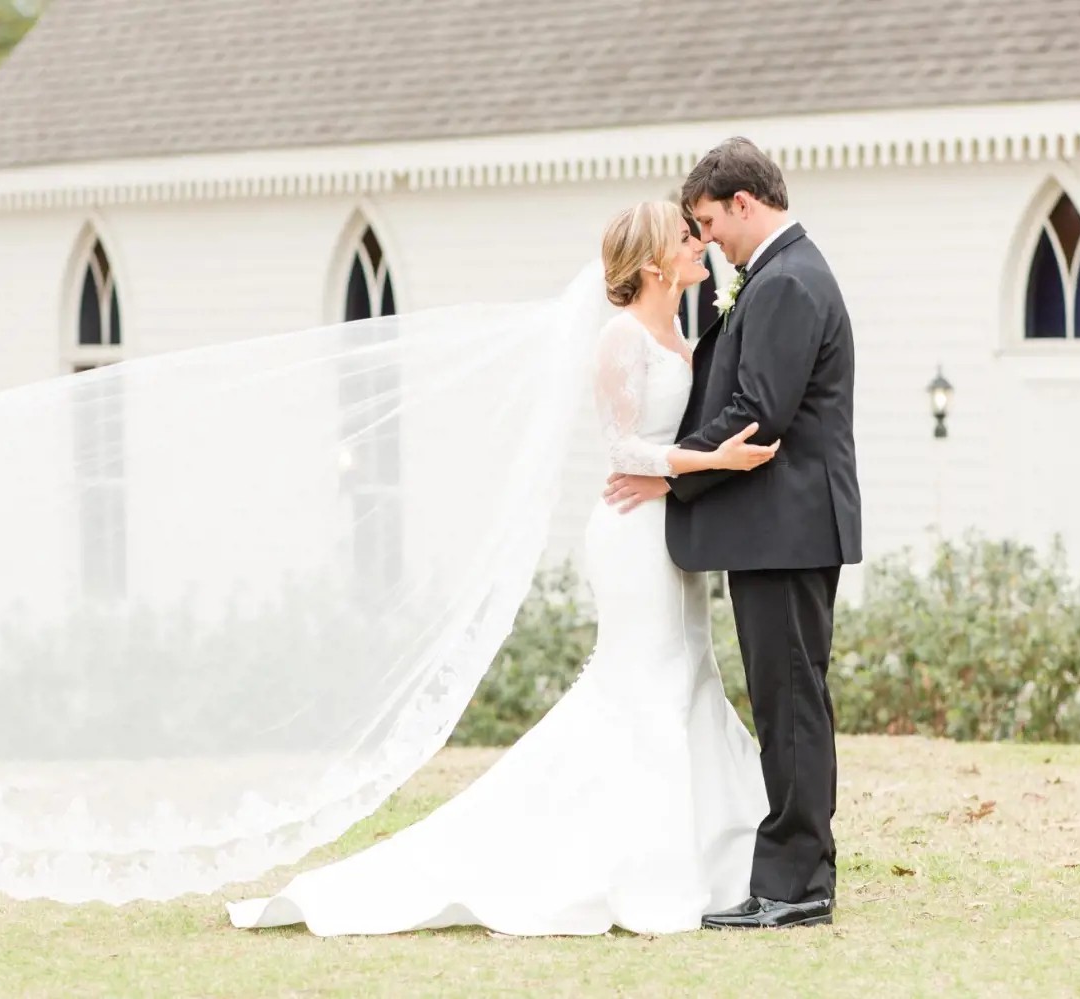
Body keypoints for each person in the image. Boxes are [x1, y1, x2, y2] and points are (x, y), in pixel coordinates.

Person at [225, 200, 774, 936]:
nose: (698, 244)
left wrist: (693, 472)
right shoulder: (619, 339)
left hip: (675, 533)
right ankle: (642, 867)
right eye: (684, 237)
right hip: (629, 535)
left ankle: (723, 860)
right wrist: (710, 460)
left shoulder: (682, 336)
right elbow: (620, 451)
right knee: (643, 686)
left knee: (690, 676)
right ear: (651, 263)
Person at [606, 138, 862, 929]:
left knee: (789, 703)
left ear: (744, 203)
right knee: (789, 698)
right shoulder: (782, 273)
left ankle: (794, 886)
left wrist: (672, 474)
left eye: (711, 219)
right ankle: (795, 872)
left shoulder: (785, 281)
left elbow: (756, 413)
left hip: (782, 529)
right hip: (777, 529)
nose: (706, 236)